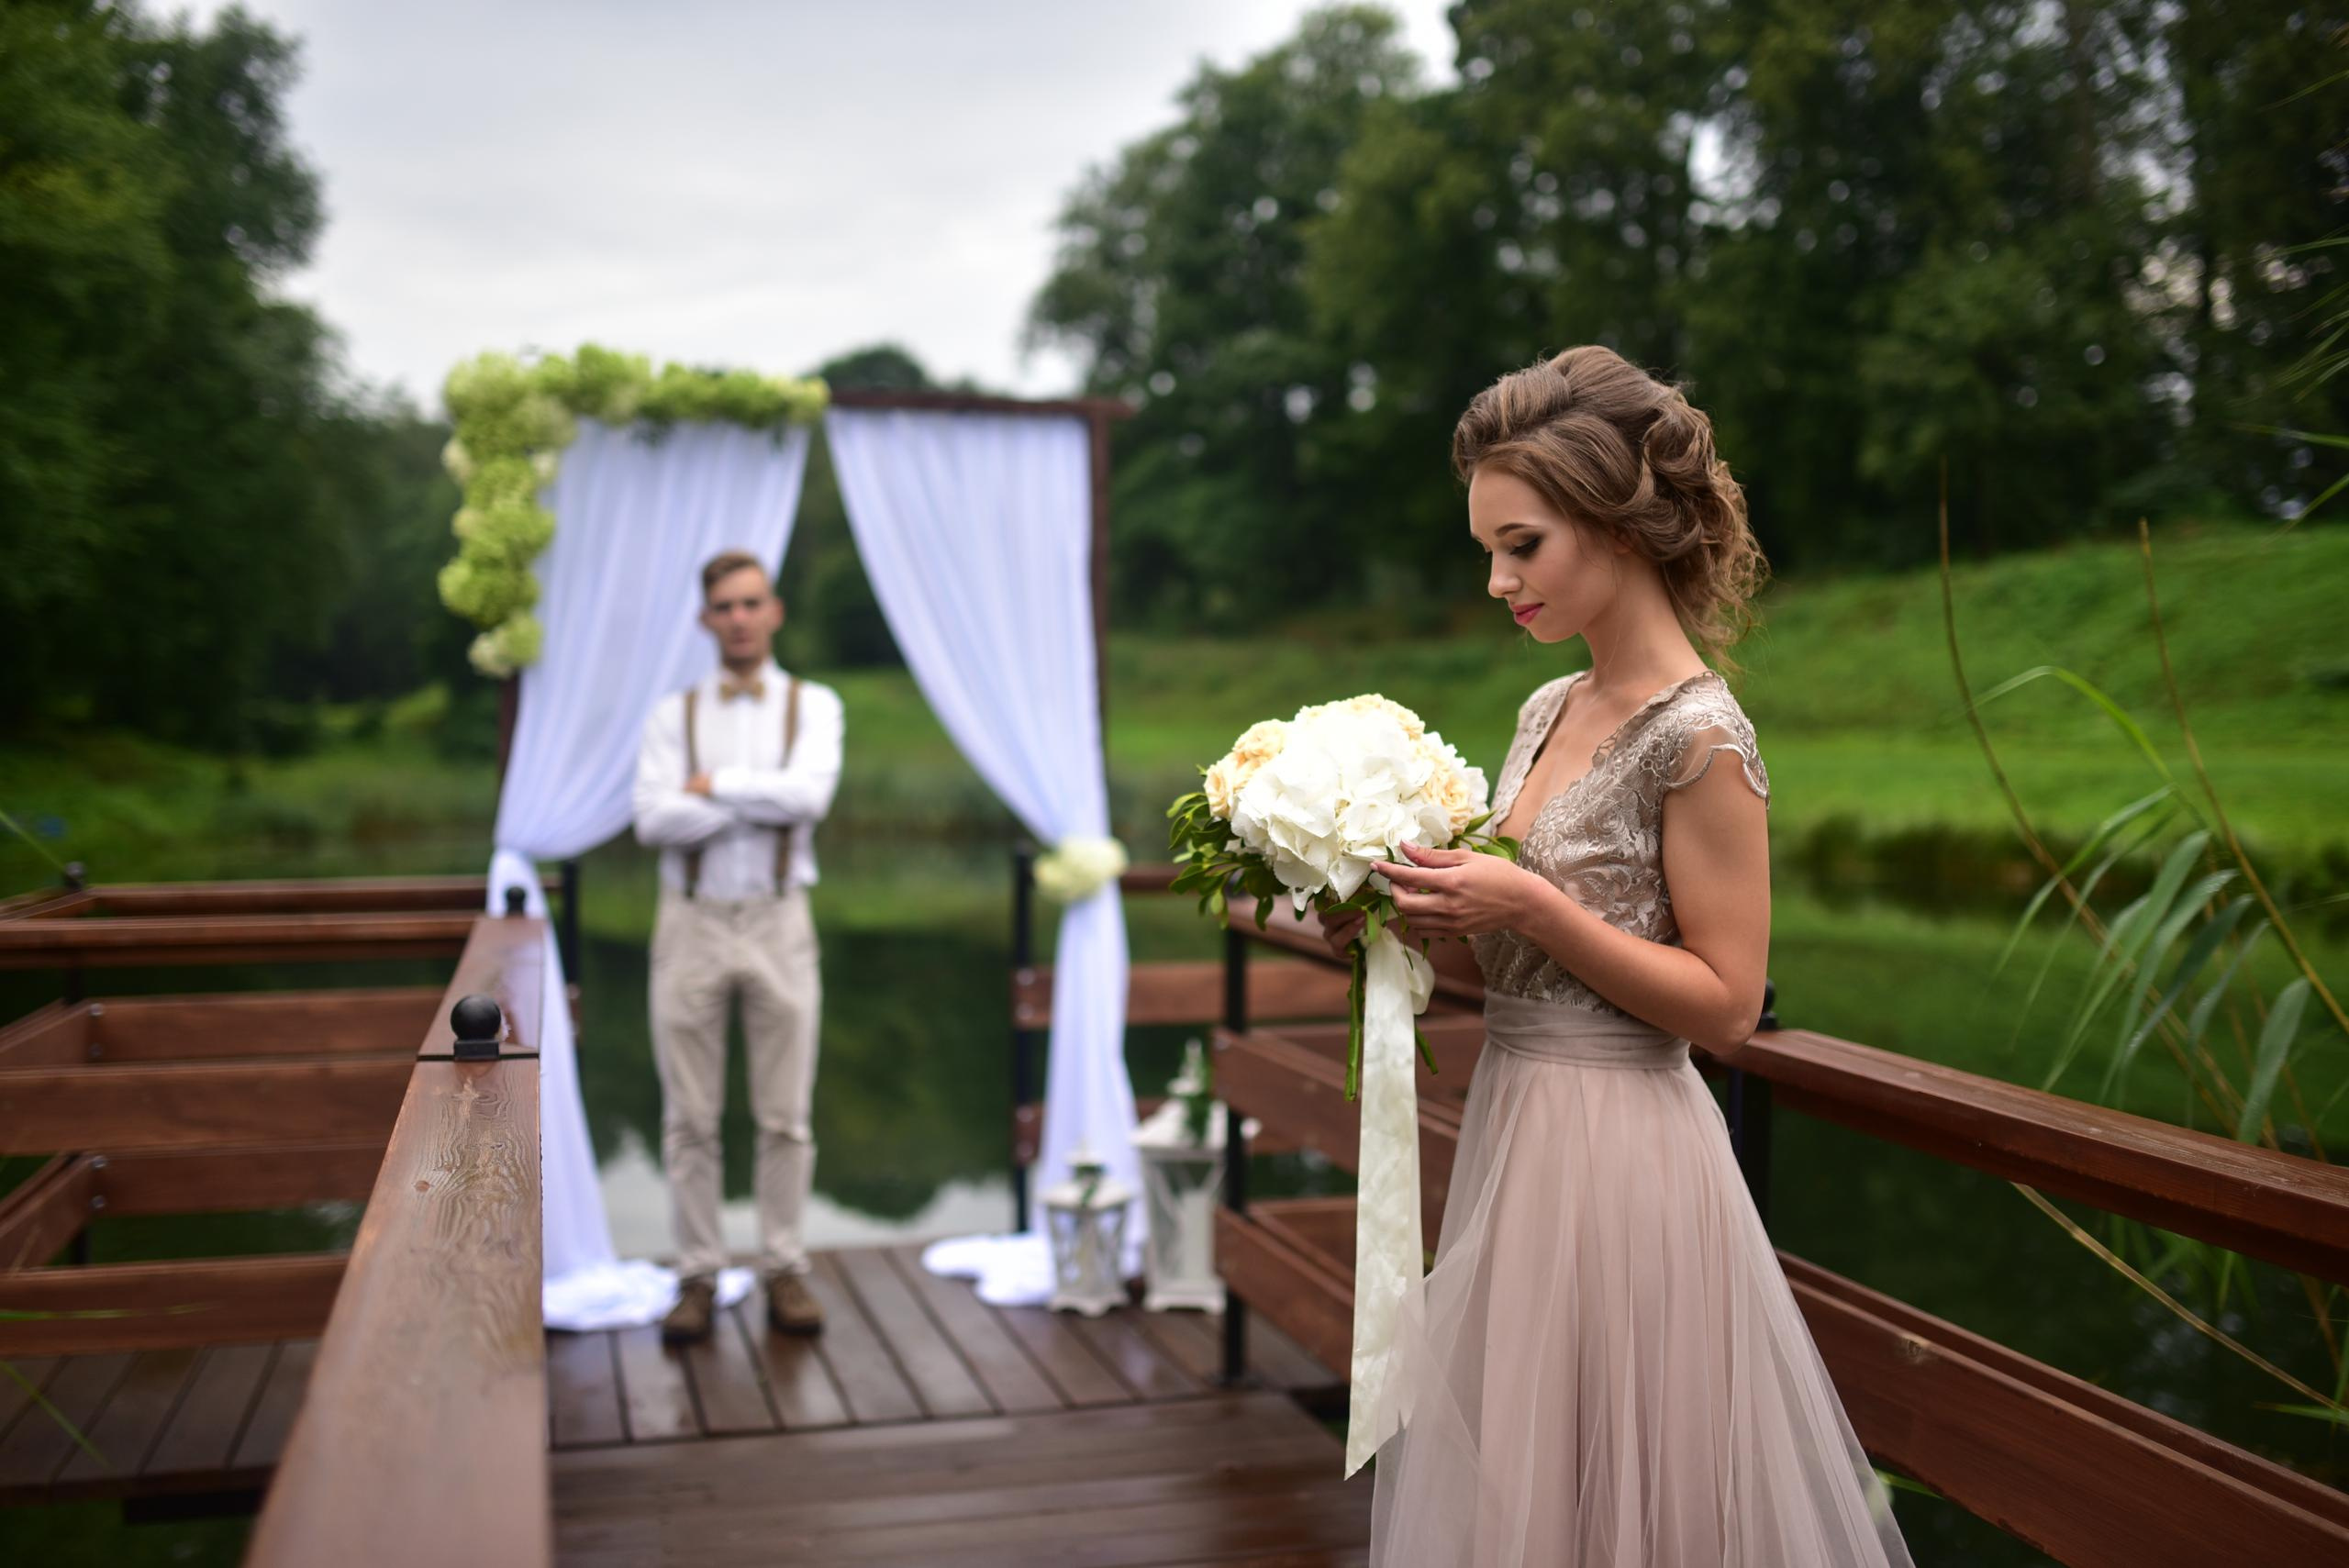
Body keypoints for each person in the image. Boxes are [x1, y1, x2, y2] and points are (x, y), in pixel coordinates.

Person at [1330, 348, 1914, 1566]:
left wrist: (1533, 907)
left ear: (1616, 522)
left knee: (1633, 1494)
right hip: (1514, 1123)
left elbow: (1728, 1006)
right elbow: (1517, 965)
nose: (1497, 581)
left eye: (1522, 545)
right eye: (1488, 550)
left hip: (1627, 1152)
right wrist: (1410, 916)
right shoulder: (1545, 709)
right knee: (1528, 1484)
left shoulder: (1700, 736)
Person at [632, 549, 844, 1344]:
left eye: (752, 602)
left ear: (774, 611)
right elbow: (652, 820)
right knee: (689, 1117)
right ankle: (698, 1272)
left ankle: (784, 1265)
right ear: (705, 619)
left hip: (780, 921)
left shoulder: (814, 704)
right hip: (690, 922)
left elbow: (810, 797)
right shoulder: (672, 714)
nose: (740, 618)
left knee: (786, 1115)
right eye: (725, 606)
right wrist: (763, 800)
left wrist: (713, 786)